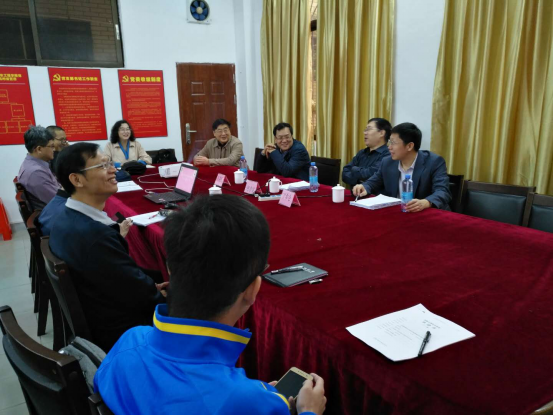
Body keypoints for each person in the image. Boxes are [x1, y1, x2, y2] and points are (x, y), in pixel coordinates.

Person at [94, 195, 327, 415]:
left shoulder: (129, 341)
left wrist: (258, 396)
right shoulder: (243, 401)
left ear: (171, 269)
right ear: (252, 289)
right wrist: (308, 411)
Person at [49, 143, 166, 352]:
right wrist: (163, 295)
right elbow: (142, 298)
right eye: (103, 166)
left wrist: (148, 285)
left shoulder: (64, 218)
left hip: (104, 307)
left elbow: (121, 280)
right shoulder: (95, 236)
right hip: (124, 334)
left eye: (110, 163)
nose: (113, 170)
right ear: (76, 179)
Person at [353, 122, 452, 212]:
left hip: (428, 214)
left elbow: (442, 191)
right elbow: (374, 181)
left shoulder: (434, 162)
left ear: (409, 146)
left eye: (393, 143)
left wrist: (426, 202)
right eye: (389, 142)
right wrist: (364, 187)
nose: (389, 147)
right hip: (399, 213)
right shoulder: (387, 162)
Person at [17, 126, 60, 209]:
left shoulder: (33, 164)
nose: (54, 149)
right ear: (39, 149)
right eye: (51, 146)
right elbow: (58, 201)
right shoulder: (36, 173)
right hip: (52, 213)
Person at [342, 118, 391, 186]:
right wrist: (360, 180)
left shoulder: (388, 155)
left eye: (369, 129)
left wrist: (354, 169)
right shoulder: (361, 153)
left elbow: (371, 174)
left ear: (381, 133)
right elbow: (345, 173)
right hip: (354, 192)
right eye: (365, 130)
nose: (365, 133)